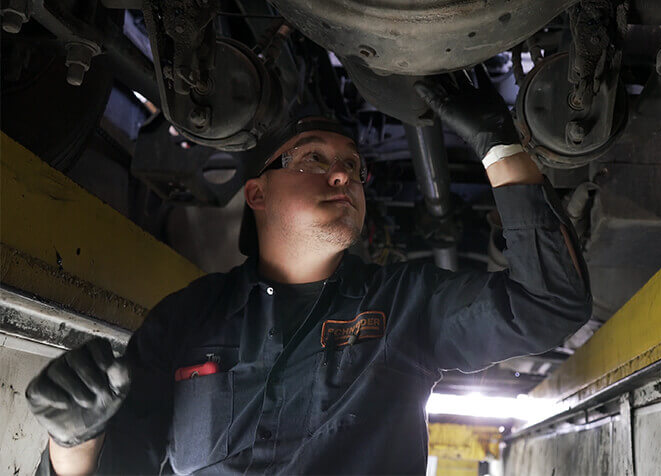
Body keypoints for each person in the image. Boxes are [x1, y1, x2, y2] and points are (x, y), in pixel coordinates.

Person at [26, 68, 591, 475]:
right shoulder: (189, 317)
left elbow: (549, 304)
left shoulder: (402, 306)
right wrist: (72, 440)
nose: (342, 175)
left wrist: (497, 143)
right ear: (257, 191)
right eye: (314, 159)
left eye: (351, 166)